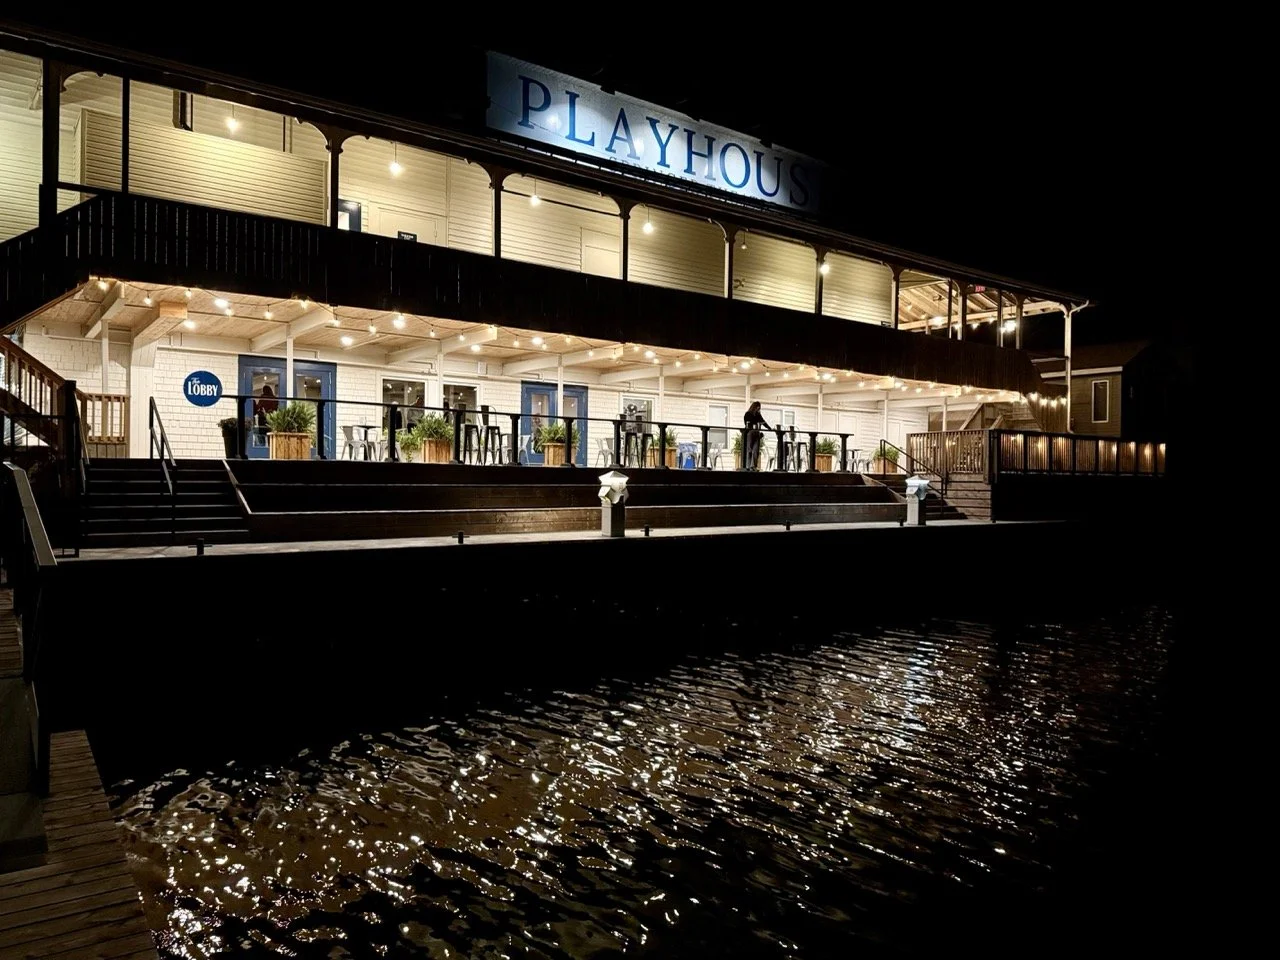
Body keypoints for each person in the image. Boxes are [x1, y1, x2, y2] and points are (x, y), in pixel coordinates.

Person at [743, 401, 770, 470]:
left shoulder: (758, 415)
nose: (758, 409)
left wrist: (769, 428)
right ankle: (748, 466)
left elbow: (763, 421)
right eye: (757, 407)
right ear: (754, 407)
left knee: (756, 450)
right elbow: (746, 424)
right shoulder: (748, 414)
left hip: (757, 433)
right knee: (749, 450)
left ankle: (753, 466)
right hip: (750, 432)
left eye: (759, 408)